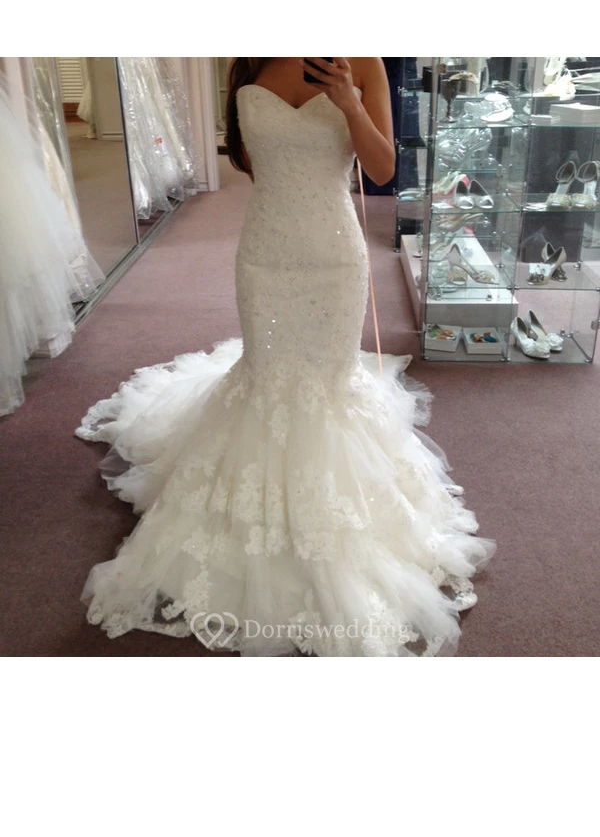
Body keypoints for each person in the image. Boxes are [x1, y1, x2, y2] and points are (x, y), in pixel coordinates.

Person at [76, 57, 495, 656]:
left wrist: (348, 101)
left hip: (333, 253)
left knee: (328, 382)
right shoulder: (251, 57)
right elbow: (251, 160)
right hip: (266, 251)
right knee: (268, 374)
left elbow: (383, 169)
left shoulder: (362, 61)